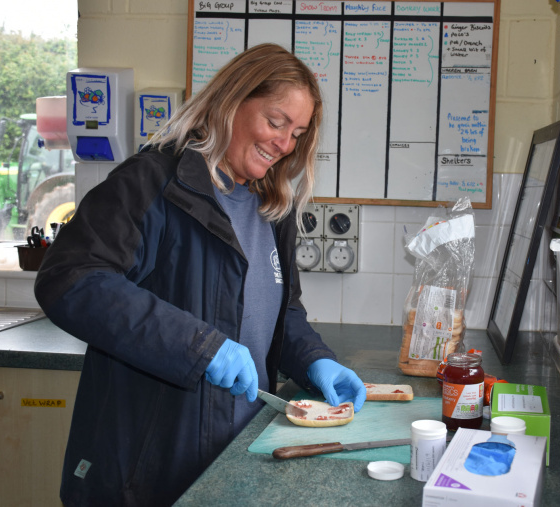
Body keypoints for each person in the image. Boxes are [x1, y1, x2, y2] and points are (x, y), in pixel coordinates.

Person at [34, 43, 366, 507]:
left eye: (297, 133)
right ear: (231, 102)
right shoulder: (153, 182)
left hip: (235, 457)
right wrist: (200, 348)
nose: (285, 144)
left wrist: (313, 359)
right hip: (148, 473)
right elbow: (71, 279)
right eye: (275, 122)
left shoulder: (273, 209)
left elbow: (280, 313)